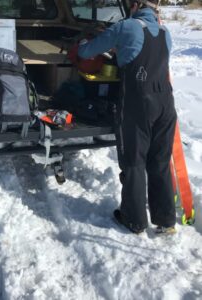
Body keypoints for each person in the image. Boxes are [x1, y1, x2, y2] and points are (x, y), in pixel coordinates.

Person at [78, 0, 177, 234]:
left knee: (133, 161)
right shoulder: (165, 32)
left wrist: (85, 42)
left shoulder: (127, 26)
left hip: (138, 103)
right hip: (166, 103)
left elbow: (86, 51)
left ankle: (134, 219)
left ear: (133, 5)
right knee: (160, 161)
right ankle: (166, 221)